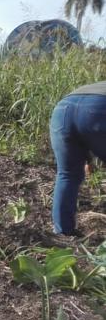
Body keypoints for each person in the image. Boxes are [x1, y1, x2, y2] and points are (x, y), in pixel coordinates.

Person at [50, 81, 106, 236]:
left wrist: (89, 160)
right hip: (99, 108)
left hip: (63, 110)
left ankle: (63, 232)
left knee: (67, 174)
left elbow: (82, 119)